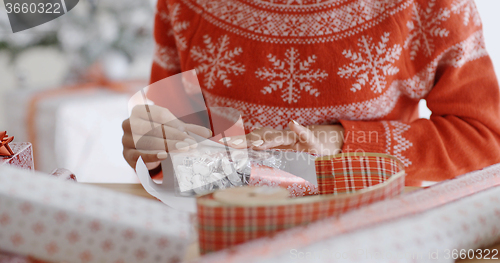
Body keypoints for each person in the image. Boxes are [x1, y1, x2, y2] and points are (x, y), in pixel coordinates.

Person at [122, 0, 500, 186]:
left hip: (368, 235)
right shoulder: (185, 4)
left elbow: (486, 138)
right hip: (223, 233)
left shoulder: (429, 6)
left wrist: (341, 140)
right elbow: (170, 141)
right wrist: (154, 149)